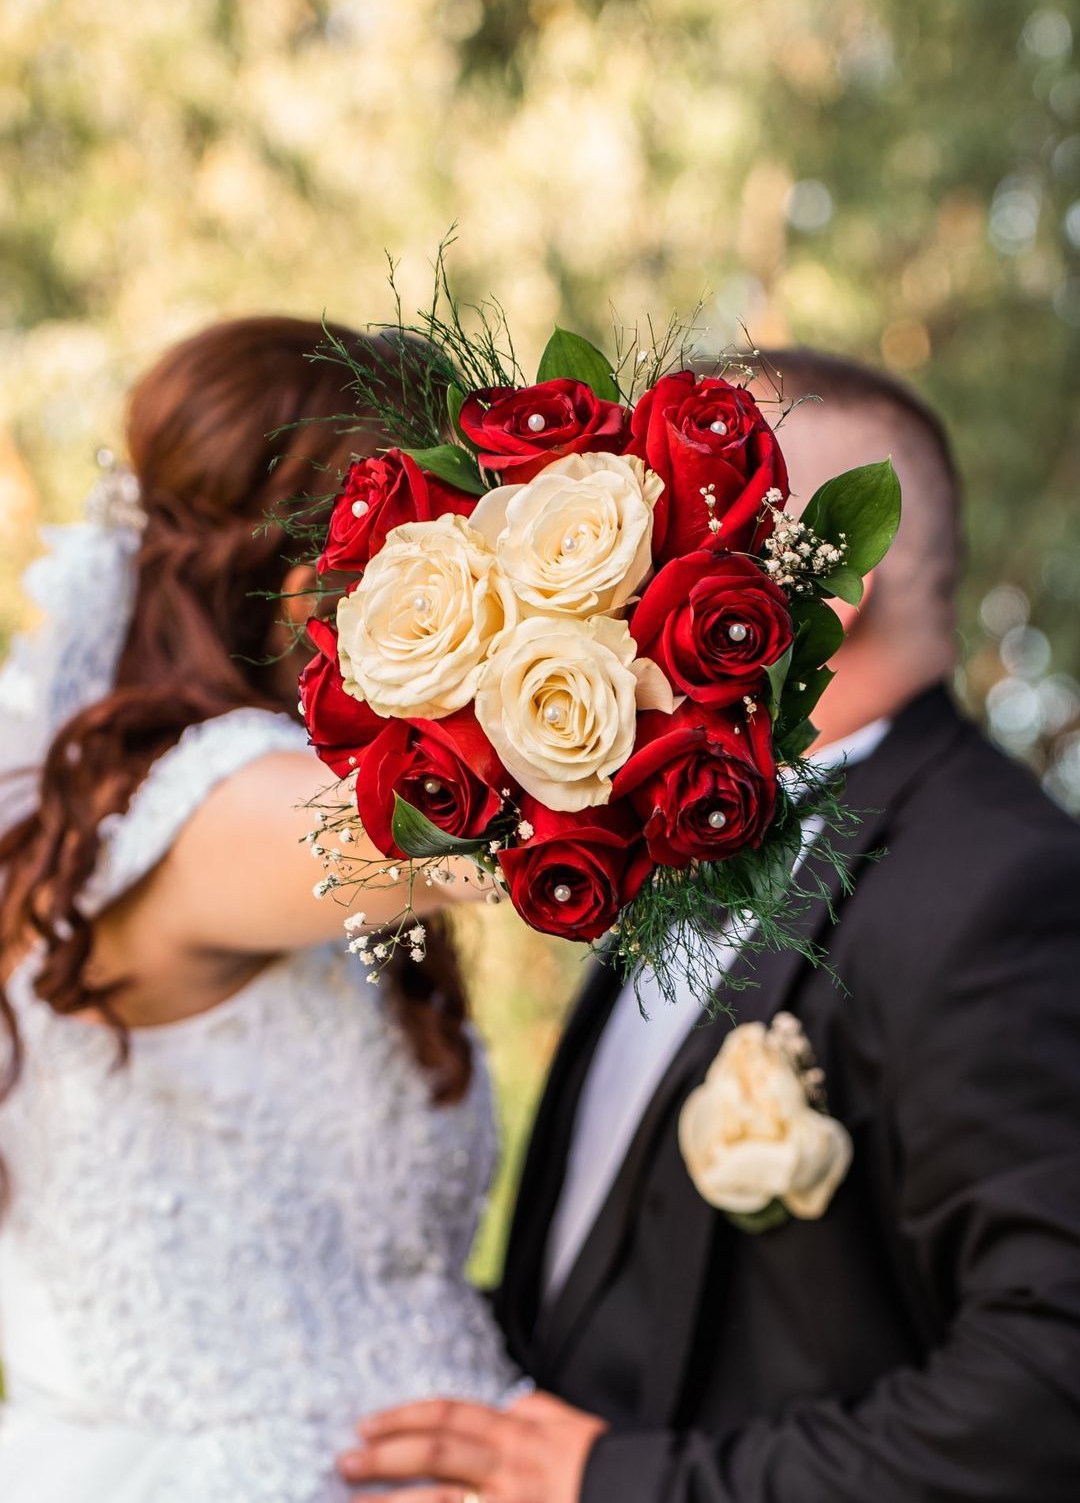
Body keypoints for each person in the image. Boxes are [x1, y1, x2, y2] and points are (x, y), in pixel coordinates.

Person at [341, 349, 1080, 1502]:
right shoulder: (692, 839)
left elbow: (1047, 1387)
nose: (622, 565)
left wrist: (623, 1483)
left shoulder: (999, 888)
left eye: (692, 514)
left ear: (828, 580)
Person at [0, 317, 523, 1503]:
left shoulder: (251, 804)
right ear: (305, 549)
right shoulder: (214, 808)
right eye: (429, 521)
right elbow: (495, 839)